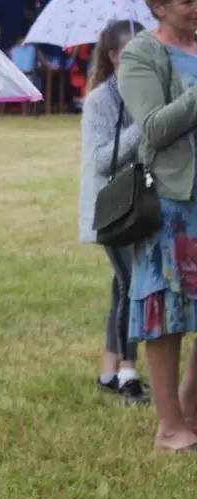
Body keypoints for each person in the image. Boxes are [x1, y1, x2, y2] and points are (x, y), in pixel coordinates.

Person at [118, 0, 197, 450]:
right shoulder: (141, 53)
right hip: (171, 200)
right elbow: (153, 129)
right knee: (167, 312)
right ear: (158, 5)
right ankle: (170, 427)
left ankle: (190, 409)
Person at [79, 20, 149, 406]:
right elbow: (102, 160)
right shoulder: (99, 101)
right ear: (113, 56)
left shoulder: (146, 92)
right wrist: (144, 125)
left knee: (120, 285)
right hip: (112, 209)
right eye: (129, 54)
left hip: (140, 205)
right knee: (132, 284)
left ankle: (108, 372)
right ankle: (127, 375)